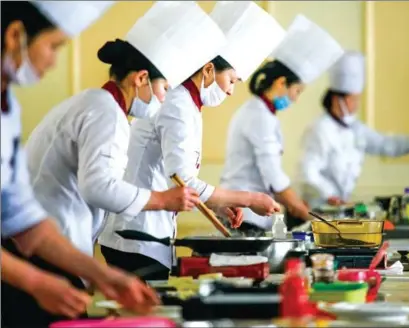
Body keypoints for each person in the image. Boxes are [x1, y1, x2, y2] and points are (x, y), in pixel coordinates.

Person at [99, 1, 284, 278]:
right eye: (232, 80)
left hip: (147, 233)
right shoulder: (177, 103)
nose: (232, 91)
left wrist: (218, 204)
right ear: (208, 70)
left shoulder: (187, 104)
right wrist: (249, 198)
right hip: (136, 235)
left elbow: (178, 182)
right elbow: (184, 179)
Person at [1, 1, 159, 326]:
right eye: (53, 45)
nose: (54, 61)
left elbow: (24, 218)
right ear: (16, 35)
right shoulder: (102, 109)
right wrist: (35, 281)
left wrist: (105, 276)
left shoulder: (9, 109)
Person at [293, 51, 409, 228]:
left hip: (336, 212)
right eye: (354, 99)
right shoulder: (319, 129)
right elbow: (307, 172)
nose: (357, 105)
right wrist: (330, 194)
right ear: (338, 100)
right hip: (313, 214)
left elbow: (387, 145)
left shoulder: (356, 129)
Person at [219, 15, 344, 235]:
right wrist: (315, 219)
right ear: (281, 83)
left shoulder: (262, 112)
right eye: (297, 91)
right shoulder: (258, 116)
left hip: (252, 214)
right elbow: (274, 178)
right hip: (244, 217)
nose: (296, 99)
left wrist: (299, 204)